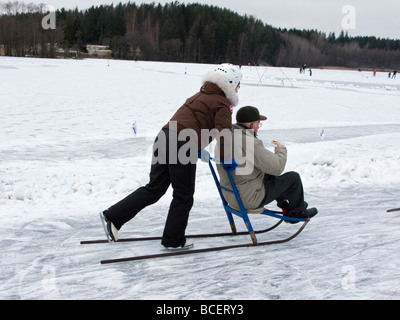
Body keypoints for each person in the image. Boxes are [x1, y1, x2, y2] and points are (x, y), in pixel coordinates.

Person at [101, 63, 242, 249]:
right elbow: (224, 133)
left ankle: (113, 217)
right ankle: (173, 240)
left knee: (155, 188)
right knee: (184, 195)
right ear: (230, 83)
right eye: (238, 85)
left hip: (164, 137)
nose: (239, 89)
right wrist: (226, 159)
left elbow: (190, 122)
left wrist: (198, 146)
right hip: (182, 144)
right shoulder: (222, 103)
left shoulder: (198, 95)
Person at [216, 106, 318, 222]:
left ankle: (285, 206)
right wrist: (281, 150)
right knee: (293, 178)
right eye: (258, 124)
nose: (258, 128)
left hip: (230, 194)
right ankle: (297, 213)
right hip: (247, 198)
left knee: (268, 173)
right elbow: (277, 167)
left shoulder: (225, 138)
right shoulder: (249, 142)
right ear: (251, 125)